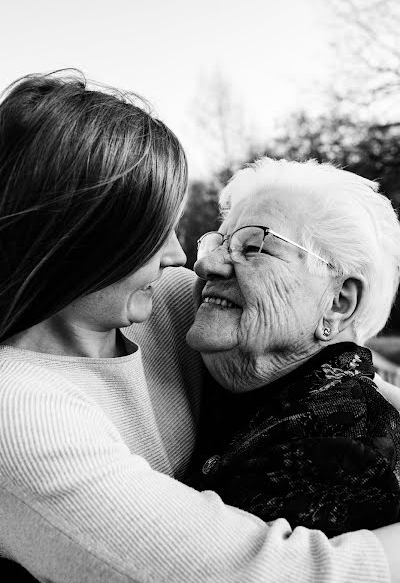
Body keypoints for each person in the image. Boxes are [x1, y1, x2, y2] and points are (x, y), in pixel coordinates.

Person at [0, 73, 400, 583]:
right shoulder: (19, 413)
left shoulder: (162, 304)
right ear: (79, 238)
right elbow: (269, 573)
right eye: (154, 231)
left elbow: (331, 369)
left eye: (253, 245)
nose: (183, 258)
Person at [185, 157, 400, 537]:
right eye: (217, 242)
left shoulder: (345, 449)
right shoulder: (232, 386)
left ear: (338, 302)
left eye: (253, 247)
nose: (207, 266)